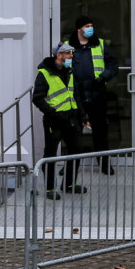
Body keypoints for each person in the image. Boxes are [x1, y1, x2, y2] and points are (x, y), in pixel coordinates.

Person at [32, 42, 89, 199]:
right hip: (54, 121)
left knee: (76, 151)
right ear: (59, 55)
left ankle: (68, 184)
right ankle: (50, 188)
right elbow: (37, 98)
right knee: (50, 154)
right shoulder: (44, 73)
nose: (71, 56)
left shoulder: (69, 71)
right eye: (68, 53)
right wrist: (52, 113)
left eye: (72, 53)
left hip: (72, 119)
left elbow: (76, 95)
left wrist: (82, 116)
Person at [68, 15, 118, 173]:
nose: (90, 28)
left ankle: (104, 165)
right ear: (79, 28)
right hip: (77, 95)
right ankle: (70, 166)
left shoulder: (101, 44)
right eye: (87, 25)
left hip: (97, 93)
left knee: (101, 132)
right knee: (74, 134)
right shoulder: (68, 46)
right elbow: (61, 66)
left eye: (91, 25)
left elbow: (113, 65)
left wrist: (104, 76)